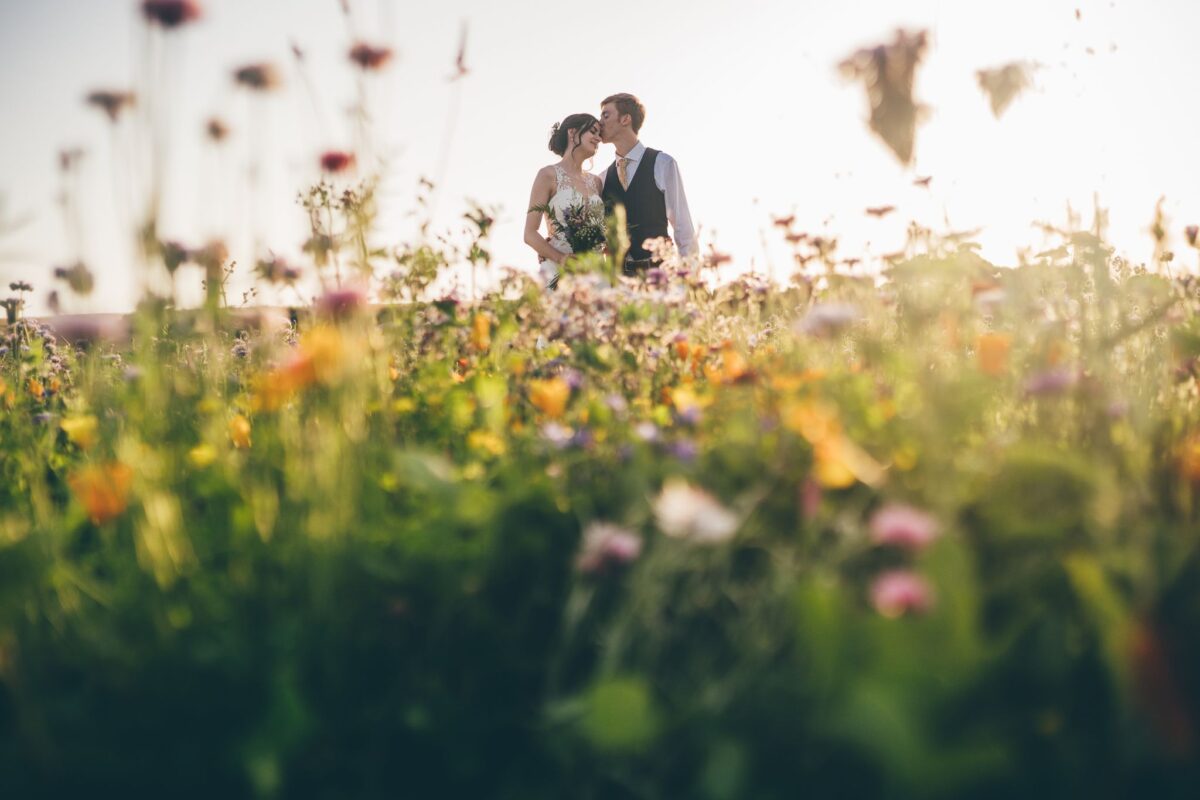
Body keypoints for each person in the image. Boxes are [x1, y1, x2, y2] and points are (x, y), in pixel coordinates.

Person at [598, 93, 695, 275]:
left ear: (625, 119)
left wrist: (688, 281)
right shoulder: (602, 179)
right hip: (620, 285)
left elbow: (683, 228)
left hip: (660, 278)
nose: (599, 123)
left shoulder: (663, 163)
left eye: (606, 115)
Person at [523, 113, 604, 289]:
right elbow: (529, 234)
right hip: (558, 273)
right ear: (572, 132)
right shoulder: (547, 175)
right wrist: (561, 258)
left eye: (600, 134)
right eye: (593, 131)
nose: (598, 138)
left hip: (595, 275)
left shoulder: (596, 182)